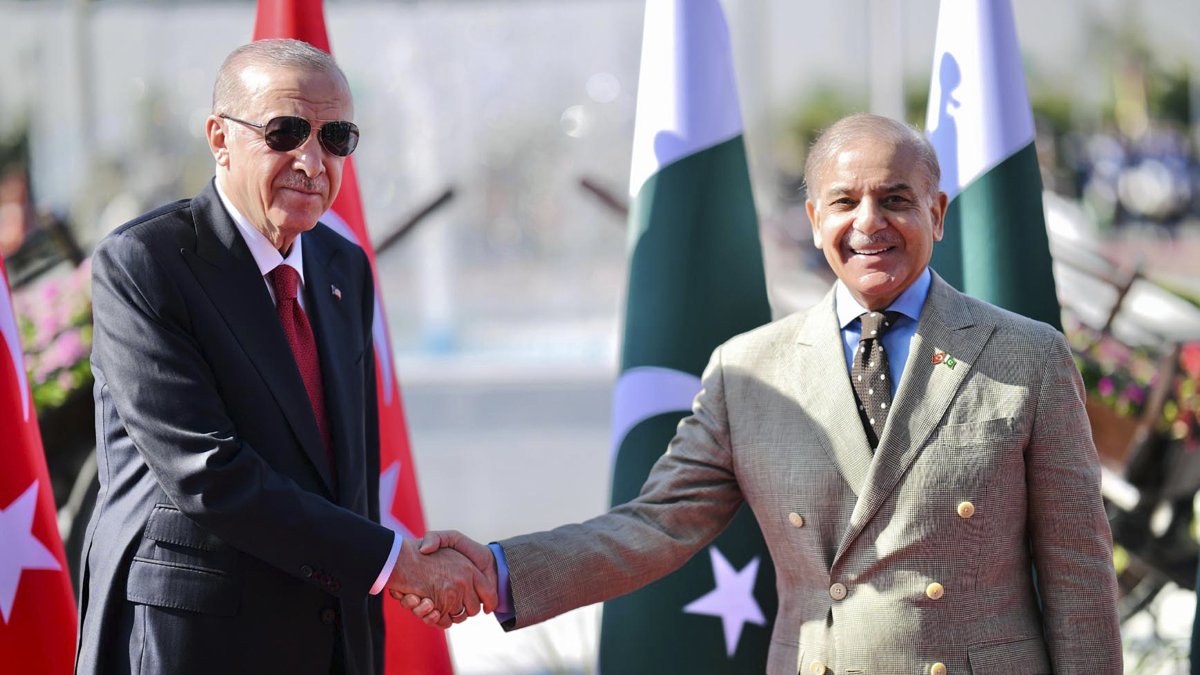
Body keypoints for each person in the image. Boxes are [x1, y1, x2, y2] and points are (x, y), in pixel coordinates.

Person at [405, 114, 1122, 673]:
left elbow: (1080, 575)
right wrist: (498, 570)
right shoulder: (749, 369)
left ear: (937, 213)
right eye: (845, 201)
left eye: (895, 199)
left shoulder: (1027, 355)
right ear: (814, 221)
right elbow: (654, 525)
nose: (869, 222)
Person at [76, 39, 494, 675]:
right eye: (285, 131)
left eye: (336, 137)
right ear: (220, 137)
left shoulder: (341, 265)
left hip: (331, 637)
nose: (312, 159)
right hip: (195, 641)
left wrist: (383, 582)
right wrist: (392, 562)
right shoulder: (146, 264)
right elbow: (208, 472)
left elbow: (349, 476)